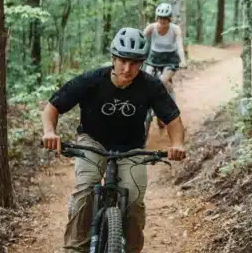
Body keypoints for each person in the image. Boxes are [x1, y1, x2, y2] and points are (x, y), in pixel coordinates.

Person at [40, 27, 187, 253]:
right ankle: (75, 248)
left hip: (132, 149)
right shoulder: (91, 80)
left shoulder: (150, 86)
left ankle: (130, 249)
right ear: (113, 58)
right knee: (85, 190)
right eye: (122, 61)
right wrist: (49, 132)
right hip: (93, 141)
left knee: (134, 201)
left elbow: (173, 120)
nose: (127, 69)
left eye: (135, 63)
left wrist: (177, 144)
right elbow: (52, 107)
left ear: (142, 63)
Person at [142, 2, 188, 130]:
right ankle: (146, 107)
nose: (163, 21)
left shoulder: (175, 29)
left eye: (165, 19)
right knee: (145, 79)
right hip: (153, 59)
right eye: (160, 18)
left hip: (170, 60)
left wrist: (183, 60)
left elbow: (179, 46)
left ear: (169, 19)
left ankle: (169, 104)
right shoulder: (151, 28)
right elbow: (140, 38)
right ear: (156, 18)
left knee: (162, 82)